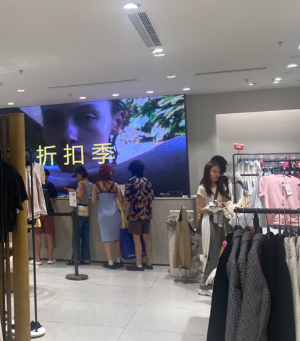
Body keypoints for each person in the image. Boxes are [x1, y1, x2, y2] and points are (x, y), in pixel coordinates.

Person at [27, 100, 189, 194]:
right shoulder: (42, 172)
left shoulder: (142, 156)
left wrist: (81, 180)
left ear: (116, 122)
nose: (68, 135)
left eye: (86, 118)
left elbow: (182, 148)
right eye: (52, 122)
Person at [196, 160, 230, 296]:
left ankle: (212, 282)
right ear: (208, 172)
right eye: (214, 171)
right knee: (212, 253)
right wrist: (214, 207)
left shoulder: (221, 187)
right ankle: (204, 285)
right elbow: (199, 209)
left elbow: (225, 202)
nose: (217, 174)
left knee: (220, 252)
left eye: (218, 172)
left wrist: (225, 205)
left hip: (220, 220)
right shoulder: (202, 188)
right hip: (209, 221)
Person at [123, 160, 155, 271]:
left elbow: (128, 200)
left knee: (136, 239)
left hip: (135, 214)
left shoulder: (130, 182)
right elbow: (152, 196)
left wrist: (128, 213)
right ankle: (149, 263)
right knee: (146, 238)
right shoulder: (147, 181)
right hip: (147, 214)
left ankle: (138, 264)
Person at [92, 163, 124, 269]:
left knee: (106, 237)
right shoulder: (115, 184)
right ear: (109, 173)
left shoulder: (95, 186)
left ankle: (110, 262)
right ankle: (118, 260)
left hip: (103, 214)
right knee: (116, 237)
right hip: (114, 213)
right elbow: (121, 199)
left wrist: (101, 198)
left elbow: (93, 201)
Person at [68, 165, 93, 265]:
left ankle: (76, 259)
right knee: (85, 235)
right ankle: (86, 258)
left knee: (76, 234)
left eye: (77, 175)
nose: (77, 177)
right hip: (86, 208)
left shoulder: (81, 183)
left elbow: (81, 197)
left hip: (79, 208)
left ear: (81, 173)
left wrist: (73, 192)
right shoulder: (90, 183)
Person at [34, 168, 58, 264]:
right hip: (48, 213)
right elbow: (55, 199)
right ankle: (50, 258)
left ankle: (37, 259)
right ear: (47, 176)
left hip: (37, 213)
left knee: (37, 236)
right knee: (49, 235)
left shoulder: (35, 185)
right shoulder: (50, 185)